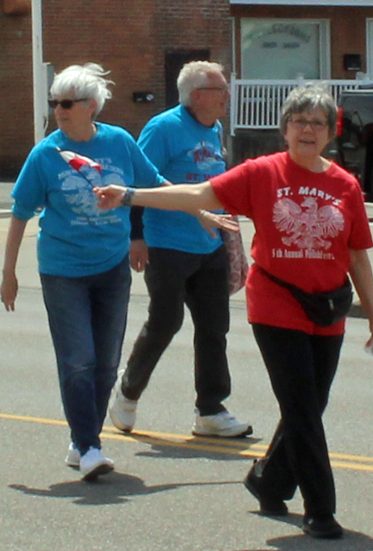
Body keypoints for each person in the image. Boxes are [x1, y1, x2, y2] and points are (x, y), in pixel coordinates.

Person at [93, 84, 373, 538]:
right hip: (276, 305)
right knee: (302, 406)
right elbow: (196, 195)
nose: (307, 129)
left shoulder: (345, 185)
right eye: (299, 121)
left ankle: (268, 480)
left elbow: (357, 257)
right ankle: (321, 509)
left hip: (327, 308)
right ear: (285, 129)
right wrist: (130, 195)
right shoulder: (262, 173)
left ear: (330, 132)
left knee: (311, 404)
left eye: (317, 123)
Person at [0, 63, 166, 480]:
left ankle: (81, 440)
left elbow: (153, 185)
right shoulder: (45, 155)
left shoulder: (120, 143)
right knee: (78, 360)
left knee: (106, 363)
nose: (58, 110)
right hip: (62, 270)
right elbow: (20, 213)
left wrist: (202, 208)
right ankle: (90, 445)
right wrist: (9, 274)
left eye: (67, 103)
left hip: (111, 268)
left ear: (91, 106)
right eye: (54, 102)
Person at [108, 60, 252, 438]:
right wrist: (135, 236)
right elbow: (137, 182)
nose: (227, 96)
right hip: (166, 244)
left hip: (209, 243)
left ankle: (210, 410)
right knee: (165, 321)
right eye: (221, 89)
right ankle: (127, 390)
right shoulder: (164, 128)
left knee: (213, 327)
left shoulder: (214, 128)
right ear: (198, 95)